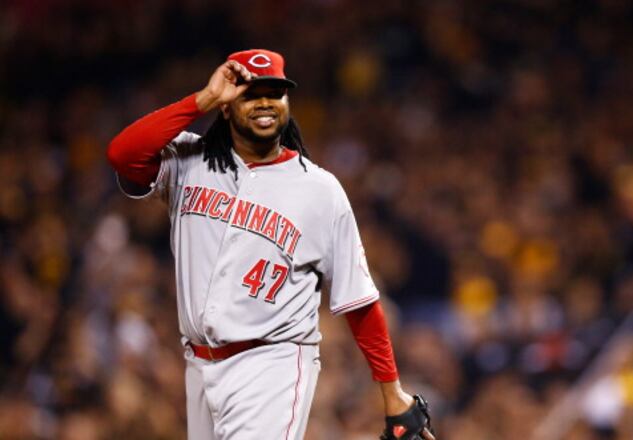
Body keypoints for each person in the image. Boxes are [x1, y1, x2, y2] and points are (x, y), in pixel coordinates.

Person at [106, 49, 434, 440]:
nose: (265, 102)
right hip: (199, 363)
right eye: (250, 93)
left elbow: (359, 300)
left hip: (273, 362)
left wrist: (392, 391)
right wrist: (203, 99)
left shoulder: (319, 189)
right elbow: (123, 154)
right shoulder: (189, 161)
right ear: (227, 105)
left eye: (275, 93)